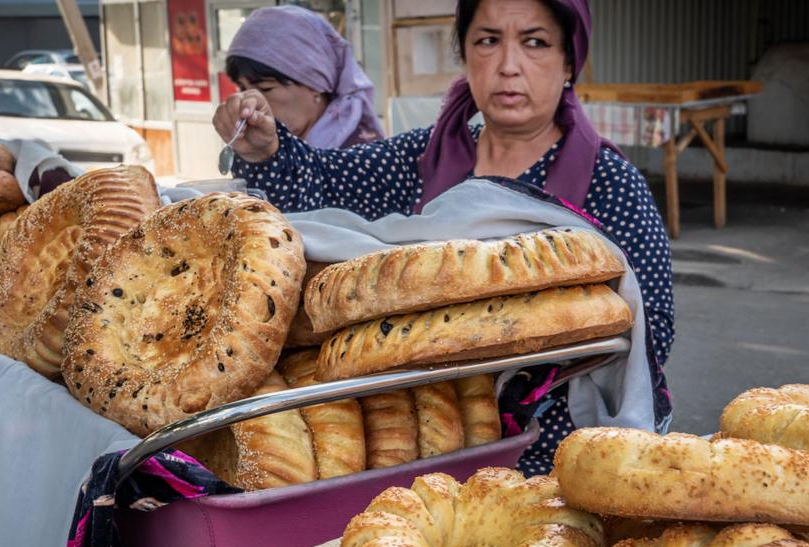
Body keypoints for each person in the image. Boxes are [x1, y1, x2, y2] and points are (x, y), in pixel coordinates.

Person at [214, 0, 675, 475]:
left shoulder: (609, 183)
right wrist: (269, 149)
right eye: (487, 41)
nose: (508, 66)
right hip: (422, 449)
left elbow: (651, 324)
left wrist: (521, 350)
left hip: (552, 456)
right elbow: (321, 183)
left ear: (568, 62)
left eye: (535, 43)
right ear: (466, 54)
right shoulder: (423, 157)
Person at [215, 5, 384, 150]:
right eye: (243, 88)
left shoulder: (355, 155)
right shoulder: (267, 149)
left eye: (266, 88)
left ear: (315, 85)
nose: (252, 101)